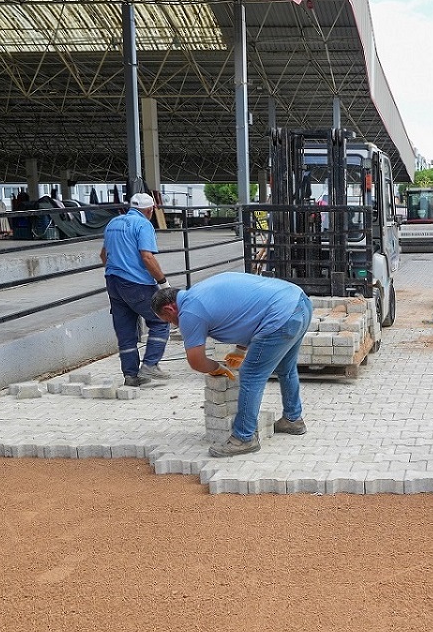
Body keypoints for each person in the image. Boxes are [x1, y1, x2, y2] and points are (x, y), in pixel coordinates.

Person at [152, 274, 314, 457]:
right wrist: (239, 350)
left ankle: (244, 438)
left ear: (169, 308)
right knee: (286, 367)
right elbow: (246, 313)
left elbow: (196, 361)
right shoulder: (199, 292)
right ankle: (293, 419)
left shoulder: (189, 312)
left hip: (281, 316)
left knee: (251, 374)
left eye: (168, 320)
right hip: (299, 302)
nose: (173, 324)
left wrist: (216, 368)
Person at [100, 192, 170, 387]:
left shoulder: (113, 223)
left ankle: (131, 376)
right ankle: (150, 365)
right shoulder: (143, 225)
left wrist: (117, 269)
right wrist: (163, 283)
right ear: (150, 210)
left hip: (113, 282)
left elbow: (103, 255)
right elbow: (147, 257)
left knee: (126, 332)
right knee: (161, 319)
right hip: (137, 284)